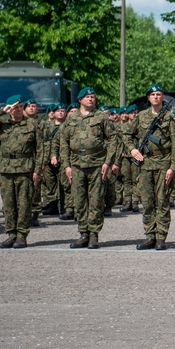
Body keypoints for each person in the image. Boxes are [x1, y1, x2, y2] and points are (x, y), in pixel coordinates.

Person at [59, 87, 119, 249]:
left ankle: (94, 234)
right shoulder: (71, 119)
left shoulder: (101, 117)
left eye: (93, 97)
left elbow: (113, 139)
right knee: (79, 200)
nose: (91, 99)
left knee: (96, 200)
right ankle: (83, 233)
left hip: (97, 164)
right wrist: (66, 165)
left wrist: (108, 161)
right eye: (87, 97)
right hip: (76, 164)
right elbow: (63, 143)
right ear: (80, 100)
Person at [0, 96, 44, 249]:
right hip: (6, 168)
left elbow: (40, 149)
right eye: (14, 107)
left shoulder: (32, 124)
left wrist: (37, 170)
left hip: (25, 168)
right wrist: (2, 111)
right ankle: (11, 234)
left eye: (19, 106)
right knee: (9, 204)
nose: (17, 109)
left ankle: (22, 235)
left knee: (23, 203)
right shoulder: (2, 123)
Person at [127, 84, 175, 250]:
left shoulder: (169, 117)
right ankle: (150, 236)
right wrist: (133, 150)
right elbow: (126, 135)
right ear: (148, 98)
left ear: (162, 97)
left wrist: (173, 166)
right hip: (145, 164)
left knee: (162, 202)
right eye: (153, 94)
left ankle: (161, 237)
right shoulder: (141, 117)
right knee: (147, 202)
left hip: (164, 163)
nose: (156, 97)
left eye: (159, 94)